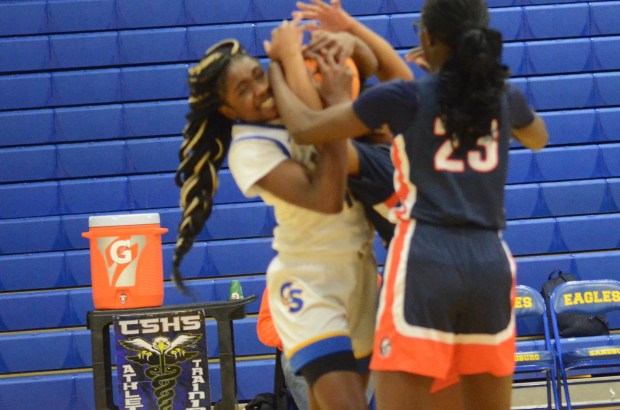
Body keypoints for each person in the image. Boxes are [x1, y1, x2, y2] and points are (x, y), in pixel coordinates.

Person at [268, 0, 549, 408]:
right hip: (489, 261)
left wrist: (282, 60)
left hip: (426, 260)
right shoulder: (501, 94)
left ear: (426, 38)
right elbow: (538, 137)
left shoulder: (403, 103)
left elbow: (307, 128)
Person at [172, 17, 378, 409]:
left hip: (358, 272)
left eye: (257, 74)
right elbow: (326, 198)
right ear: (228, 110)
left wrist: (344, 35)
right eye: (243, 90)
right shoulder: (249, 149)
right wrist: (333, 107)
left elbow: (365, 70)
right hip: (309, 283)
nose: (259, 89)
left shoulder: (293, 97)